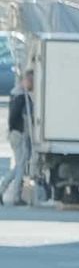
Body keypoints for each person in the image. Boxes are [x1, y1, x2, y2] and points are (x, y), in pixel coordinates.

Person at [3, 67, 34, 207]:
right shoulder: (22, 97)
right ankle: (15, 196)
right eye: (31, 81)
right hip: (19, 134)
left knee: (19, 165)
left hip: (14, 133)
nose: (33, 84)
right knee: (21, 165)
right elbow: (20, 117)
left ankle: (3, 189)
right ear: (25, 80)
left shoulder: (16, 94)